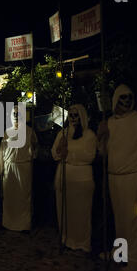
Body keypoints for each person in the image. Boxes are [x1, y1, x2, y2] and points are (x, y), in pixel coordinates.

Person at [97, 84, 137, 271]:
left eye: (129, 97)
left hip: (133, 178)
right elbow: (103, 153)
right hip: (115, 177)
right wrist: (102, 135)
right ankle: (121, 253)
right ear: (116, 100)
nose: (127, 101)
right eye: (123, 97)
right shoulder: (110, 122)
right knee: (120, 220)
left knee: (135, 222)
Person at [51, 104, 97, 252]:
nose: (72, 118)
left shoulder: (89, 135)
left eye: (76, 115)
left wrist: (69, 155)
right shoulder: (62, 133)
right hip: (64, 176)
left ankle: (82, 242)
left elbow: (89, 156)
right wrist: (60, 150)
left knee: (81, 212)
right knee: (65, 211)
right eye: (70, 115)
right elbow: (54, 154)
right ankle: (66, 237)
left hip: (82, 179)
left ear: (82, 116)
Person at [0, 106, 38, 232]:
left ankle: (23, 225)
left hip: (23, 168)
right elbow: (1, 151)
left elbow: (35, 152)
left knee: (23, 197)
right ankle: (8, 223)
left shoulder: (30, 131)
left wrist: (34, 148)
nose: (15, 115)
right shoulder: (7, 131)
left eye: (18, 113)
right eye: (14, 113)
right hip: (9, 168)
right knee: (9, 198)